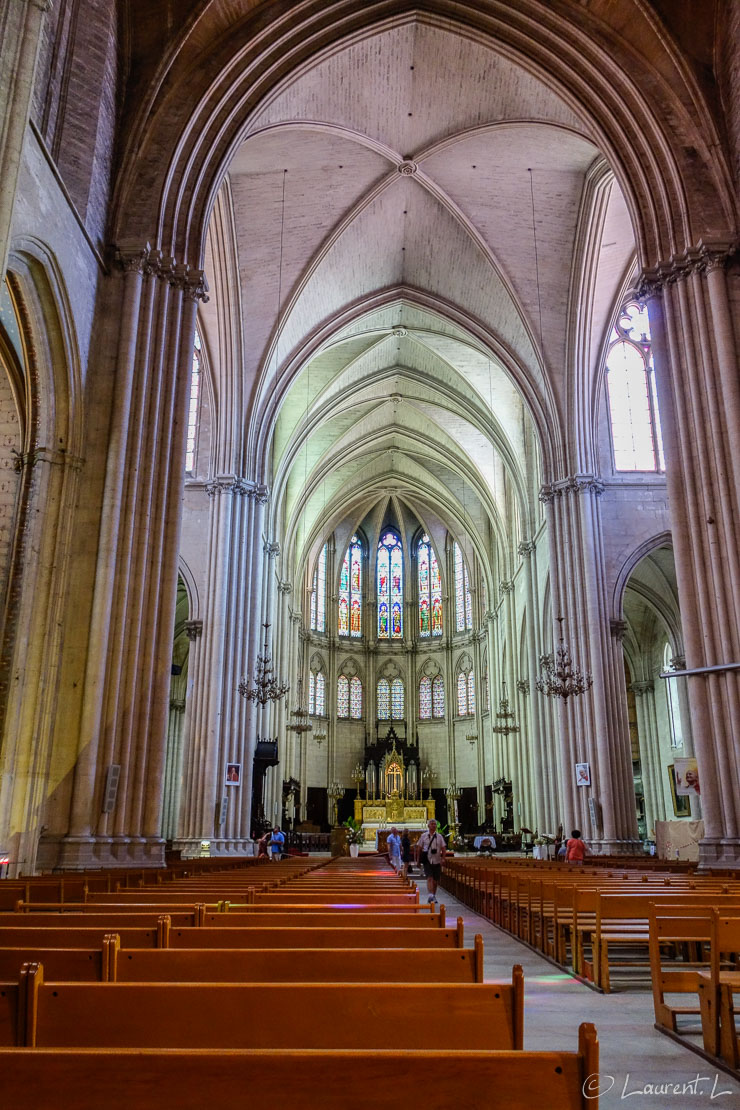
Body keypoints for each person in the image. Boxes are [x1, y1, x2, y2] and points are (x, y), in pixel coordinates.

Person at [416, 818, 446, 904]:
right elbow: (419, 848)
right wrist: (418, 860)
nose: (433, 825)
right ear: (428, 826)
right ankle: (430, 895)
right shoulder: (423, 836)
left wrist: (443, 858)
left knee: (435, 880)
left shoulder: (439, 837)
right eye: (432, 824)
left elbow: (443, 848)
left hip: (436, 859)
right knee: (429, 878)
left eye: (435, 824)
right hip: (427, 859)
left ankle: (433, 894)